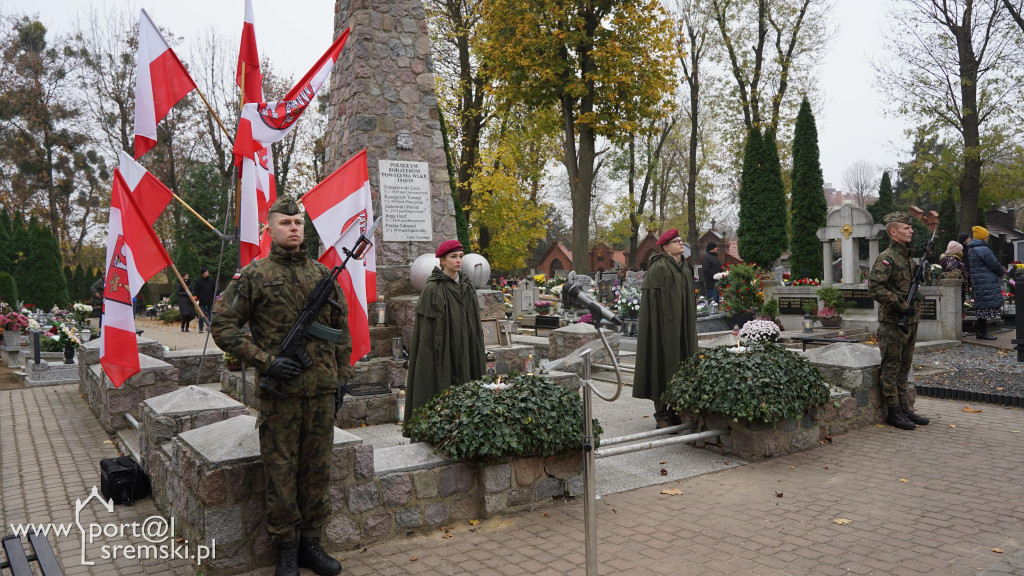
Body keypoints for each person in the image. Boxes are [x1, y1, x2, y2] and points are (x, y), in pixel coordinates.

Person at [212, 196, 350, 576]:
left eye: (298, 222)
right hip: (281, 395)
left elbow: (341, 329)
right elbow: (222, 326)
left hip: (321, 392)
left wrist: (343, 377)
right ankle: (286, 549)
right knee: (281, 473)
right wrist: (266, 360)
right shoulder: (253, 274)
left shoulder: (323, 275)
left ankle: (311, 544)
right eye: (285, 222)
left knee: (317, 471)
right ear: (269, 229)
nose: (294, 228)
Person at [404, 240, 486, 428]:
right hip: (443, 353)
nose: (458, 260)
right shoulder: (432, 289)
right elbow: (425, 335)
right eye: (453, 257)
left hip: (467, 348)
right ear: (442, 261)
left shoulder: (467, 286)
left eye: (460, 256)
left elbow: (473, 322)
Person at [867, 212, 929, 431]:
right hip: (894, 322)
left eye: (910, 228)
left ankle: (904, 407)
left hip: (910, 322)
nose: (911, 231)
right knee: (891, 368)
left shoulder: (907, 257)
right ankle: (893, 411)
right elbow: (875, 288)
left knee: (905, 366)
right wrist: (901, 305)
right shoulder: (887, 257)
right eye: (906, 228)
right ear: (893, 232)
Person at [633, 229, 698, 429]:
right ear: (666, 247)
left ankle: (675, 410)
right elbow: (652, 306)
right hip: (663, 329)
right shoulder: (659, 268)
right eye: (676, 241)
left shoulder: (685, 268)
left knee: (682, 364)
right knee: (661, 364)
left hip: (683, 327)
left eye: (681, 240)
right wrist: (658, 330)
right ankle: (661, 414)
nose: (681, 243)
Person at [966, 226, 1005, 340]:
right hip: (986, 281)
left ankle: (981, 331)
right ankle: (983, 332)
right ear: (983, 237)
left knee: (981, 306)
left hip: (978, 280)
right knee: (985, 306)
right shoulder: (983, 249)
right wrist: (1000, 272)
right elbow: (994, 264)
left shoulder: (972, 248)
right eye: (987, 236)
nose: (988, 238)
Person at [194, 267, 216, 334]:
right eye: (206, 272)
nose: (207, 273)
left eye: (207, 272)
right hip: (202, 301)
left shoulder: (211, 281)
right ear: (203, 273)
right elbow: (196, 291)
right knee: (201, 314)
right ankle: (201, 328)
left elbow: (215, 289)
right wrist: (200, 297)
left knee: (211, 314)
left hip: (210, 300)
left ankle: (210, 327)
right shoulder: (198, 282)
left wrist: (213, 296)